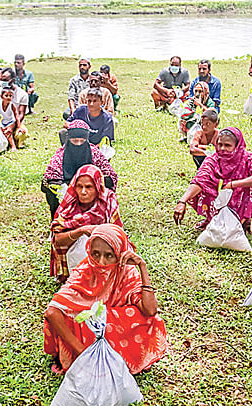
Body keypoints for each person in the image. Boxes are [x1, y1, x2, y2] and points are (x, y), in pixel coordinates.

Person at [43, 223, 168, 374]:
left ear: (120, 253)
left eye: (109, 255)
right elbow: (52, 312)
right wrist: (84, 354)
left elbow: (150, 310)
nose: (101, 262)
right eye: (96, 254)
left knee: (137, 317)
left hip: (114, 333)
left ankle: (116, 359)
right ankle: (89, 358)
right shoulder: (86, 269)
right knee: (80, 318)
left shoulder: (127, 272)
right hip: (85, 344)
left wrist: (142, 266)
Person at [174, 127, 252, 230]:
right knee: (205, 187)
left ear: (237, 146)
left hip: (240, 196)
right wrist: (182, 201)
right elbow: (200, 180)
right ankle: (213, 218)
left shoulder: (247, 158)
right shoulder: (213, 159)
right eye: (220, 144)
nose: (222, 148)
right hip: (219, 198)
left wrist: (232, 185)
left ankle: (244, 220)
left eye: (227, 145)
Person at [50, 164, 123, 283]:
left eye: (89, 187)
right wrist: (81, 231)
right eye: (80, 187)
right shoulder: (69, 206)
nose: (83, 192)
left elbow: (118, 234)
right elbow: (57, 240)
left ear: (97, 187)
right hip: (75, 257)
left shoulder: (108, 201)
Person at [42, 120, 118, 219]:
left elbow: (111, 175)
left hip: (91, 190)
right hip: (67, 191)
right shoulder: (61, 155)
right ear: (68, 139)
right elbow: (48, 178)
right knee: (51, 191)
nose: (78, 144)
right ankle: (58, 222)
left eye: (82, 141)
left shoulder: (94, 153)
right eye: (75, 141)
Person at [0, 68, 29, 148]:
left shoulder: (22, 94)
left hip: (15, 123)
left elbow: (21, 114)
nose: (2, 82)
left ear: (12, 80)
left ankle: (12, 141)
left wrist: (12, 126)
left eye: (5, 79)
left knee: (22, 134)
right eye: (1, 79)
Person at [0, 86, 27, 151]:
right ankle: (4, 145)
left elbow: (17, 116)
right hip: (1, 121)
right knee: (1, 131)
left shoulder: (12, 105)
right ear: (1, 96)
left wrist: (19, 127)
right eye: (6, 95)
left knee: (8, 132)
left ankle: (13, 146)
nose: (8, 97)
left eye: (10, 96)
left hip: (10, 121)